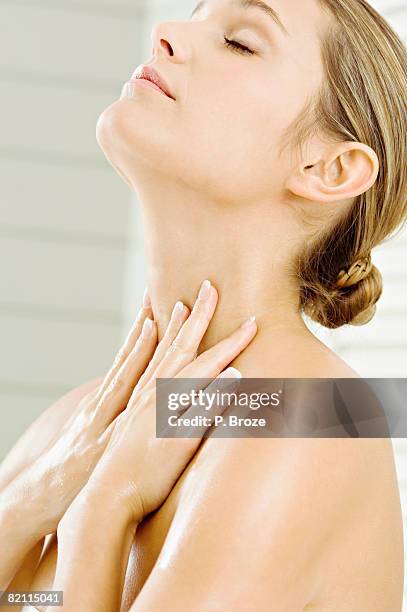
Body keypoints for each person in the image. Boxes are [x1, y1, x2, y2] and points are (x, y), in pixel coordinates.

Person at [1, 0, 406, 609]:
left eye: (241, 42)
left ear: (328, 167)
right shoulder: (73, 426)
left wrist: (103, 501)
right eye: (192, 17)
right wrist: (35, 495)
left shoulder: (314, 416)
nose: (166, 34)